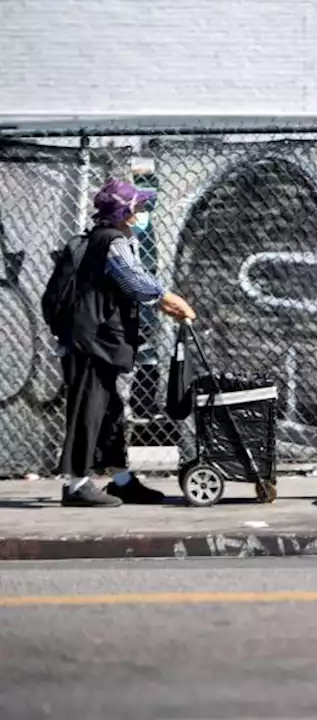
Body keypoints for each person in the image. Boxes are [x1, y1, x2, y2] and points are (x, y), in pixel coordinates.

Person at [56, 179, 197, 507]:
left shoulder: (108, 239)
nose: (143, 213)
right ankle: (75, 485)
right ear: (124, 212)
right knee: (88, 410)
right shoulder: (113, 241)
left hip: (101, 340)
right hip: (92, 341)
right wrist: (169, 299)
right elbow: (133, 280)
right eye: (139, 207)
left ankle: (121, 480)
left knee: (110, 411)